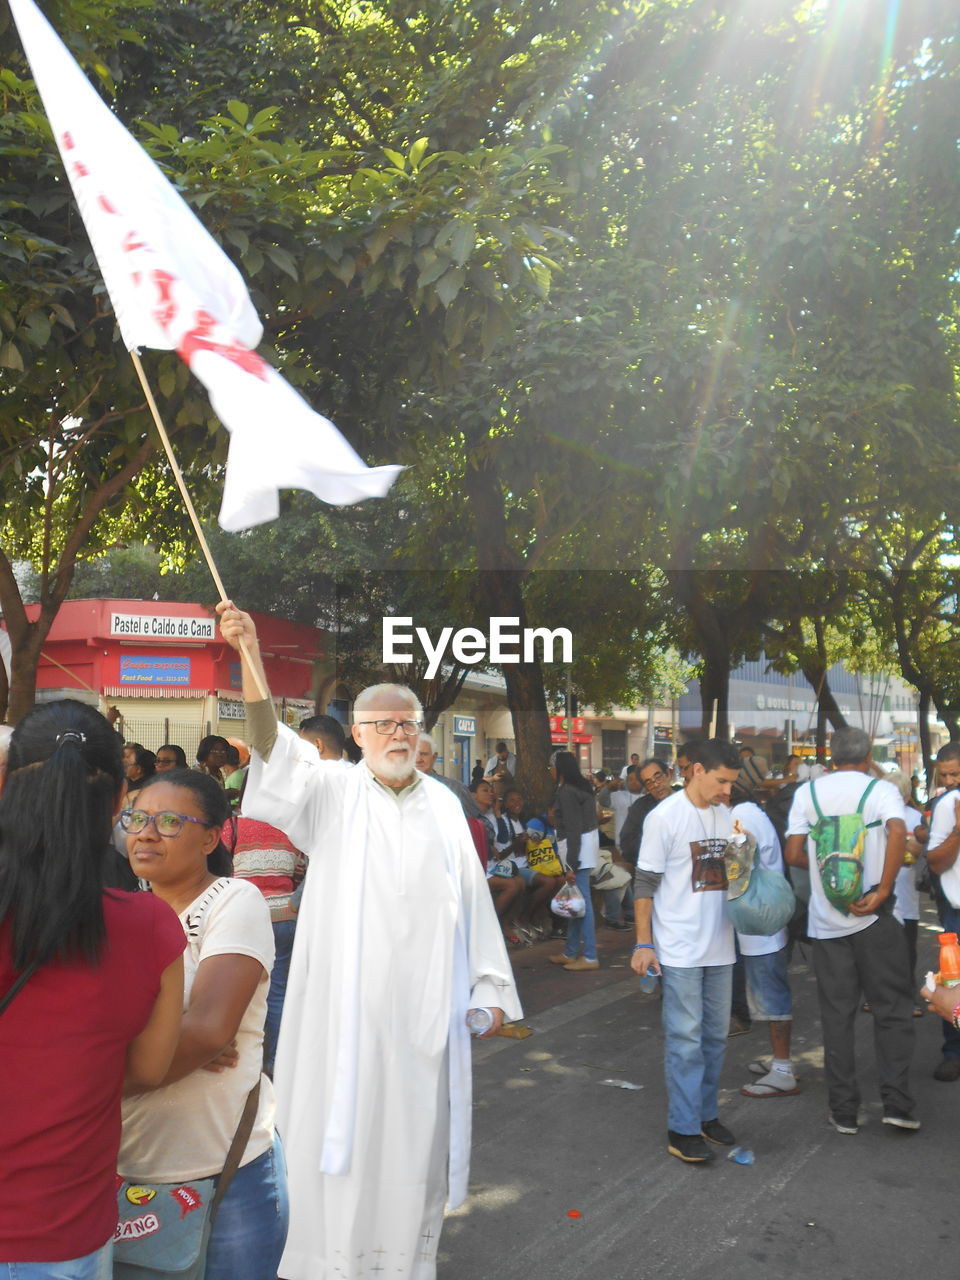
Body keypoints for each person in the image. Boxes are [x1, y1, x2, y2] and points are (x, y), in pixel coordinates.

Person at [216, 601, 522, 1280]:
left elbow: (472, 905)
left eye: (407, 722)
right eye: (381, 722)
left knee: (411, 1153)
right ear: (355, 732)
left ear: (423, 732)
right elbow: (270, 744)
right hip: (340, 1025)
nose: (396, 732)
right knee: (339, 1149)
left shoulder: (446, 805)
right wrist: (251, 654)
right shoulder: (329, 791)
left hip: (425, 1023)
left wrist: (491, 987)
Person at [0, 700, 185, 1277]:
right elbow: (149, 1070)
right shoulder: (149, 927)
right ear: (117, 804)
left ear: (7, 787)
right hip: (59, 1234)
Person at [118, 769, 288, 1280]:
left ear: (211, 837)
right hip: (123, 1172)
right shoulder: (118, 912)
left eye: (170, 821)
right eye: (138, 818)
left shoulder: (233, 900)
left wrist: (94, 1083)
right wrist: (176, 1039)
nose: (146, 833)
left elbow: (212, 1030)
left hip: (224, 1173)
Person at [784, 726, 917, 1134]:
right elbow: (898, 832)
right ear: (867, 755)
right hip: (875, 919)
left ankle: (844, 1111)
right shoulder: (880, 791)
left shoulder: (807, 793)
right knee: (892, 1011)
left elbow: (792, 852)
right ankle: (897, 1104)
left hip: (827, 926)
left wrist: (827, 872)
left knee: (837, 1017)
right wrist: (883, 889)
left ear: (832, 755)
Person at [630, 738, 741, 1163]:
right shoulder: (665, 817)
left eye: (730, 783)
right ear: (696, 770)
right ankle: (682, 1127)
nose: (727, 791)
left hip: (721, 946)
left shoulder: (725, 814)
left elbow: (733, 874)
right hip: (678, 950)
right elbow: (644, 883)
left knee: (715, 1038)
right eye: (721, 781)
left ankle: (706, 1115)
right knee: (685, 1040)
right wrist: (643, 943)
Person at [725, 797, 799, 1098]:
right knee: (770, 991)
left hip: (760, 922)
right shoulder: (752, 811)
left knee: (771, 995)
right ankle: (779, 1062)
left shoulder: (740, 816)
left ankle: (783, 1070)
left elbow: (736, 866)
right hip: (764, 919)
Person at [918, 742, 960, 1079]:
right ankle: (954, 1052)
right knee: (952, 980)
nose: (948, 781)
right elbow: (934, 861)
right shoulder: (947, 805)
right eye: (943, 774)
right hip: (956, 910)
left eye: (955, 773)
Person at [548, 749, 601, 971]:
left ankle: (589, 956)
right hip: (584, 845)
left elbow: (573, 828)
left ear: (558, 768)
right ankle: (571, 951)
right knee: (576, 901)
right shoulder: (579, 787)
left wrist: (570, 864)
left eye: (551, 766)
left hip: (576, 848)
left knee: (582, 903)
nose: (549, 771)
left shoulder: (567, 791)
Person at [416, 733, 480, 819]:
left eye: (423, 754)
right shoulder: (397, 790)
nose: (418, 759)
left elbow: (480, 823)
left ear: (434, 757)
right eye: (413, 754)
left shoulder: (455, 789)